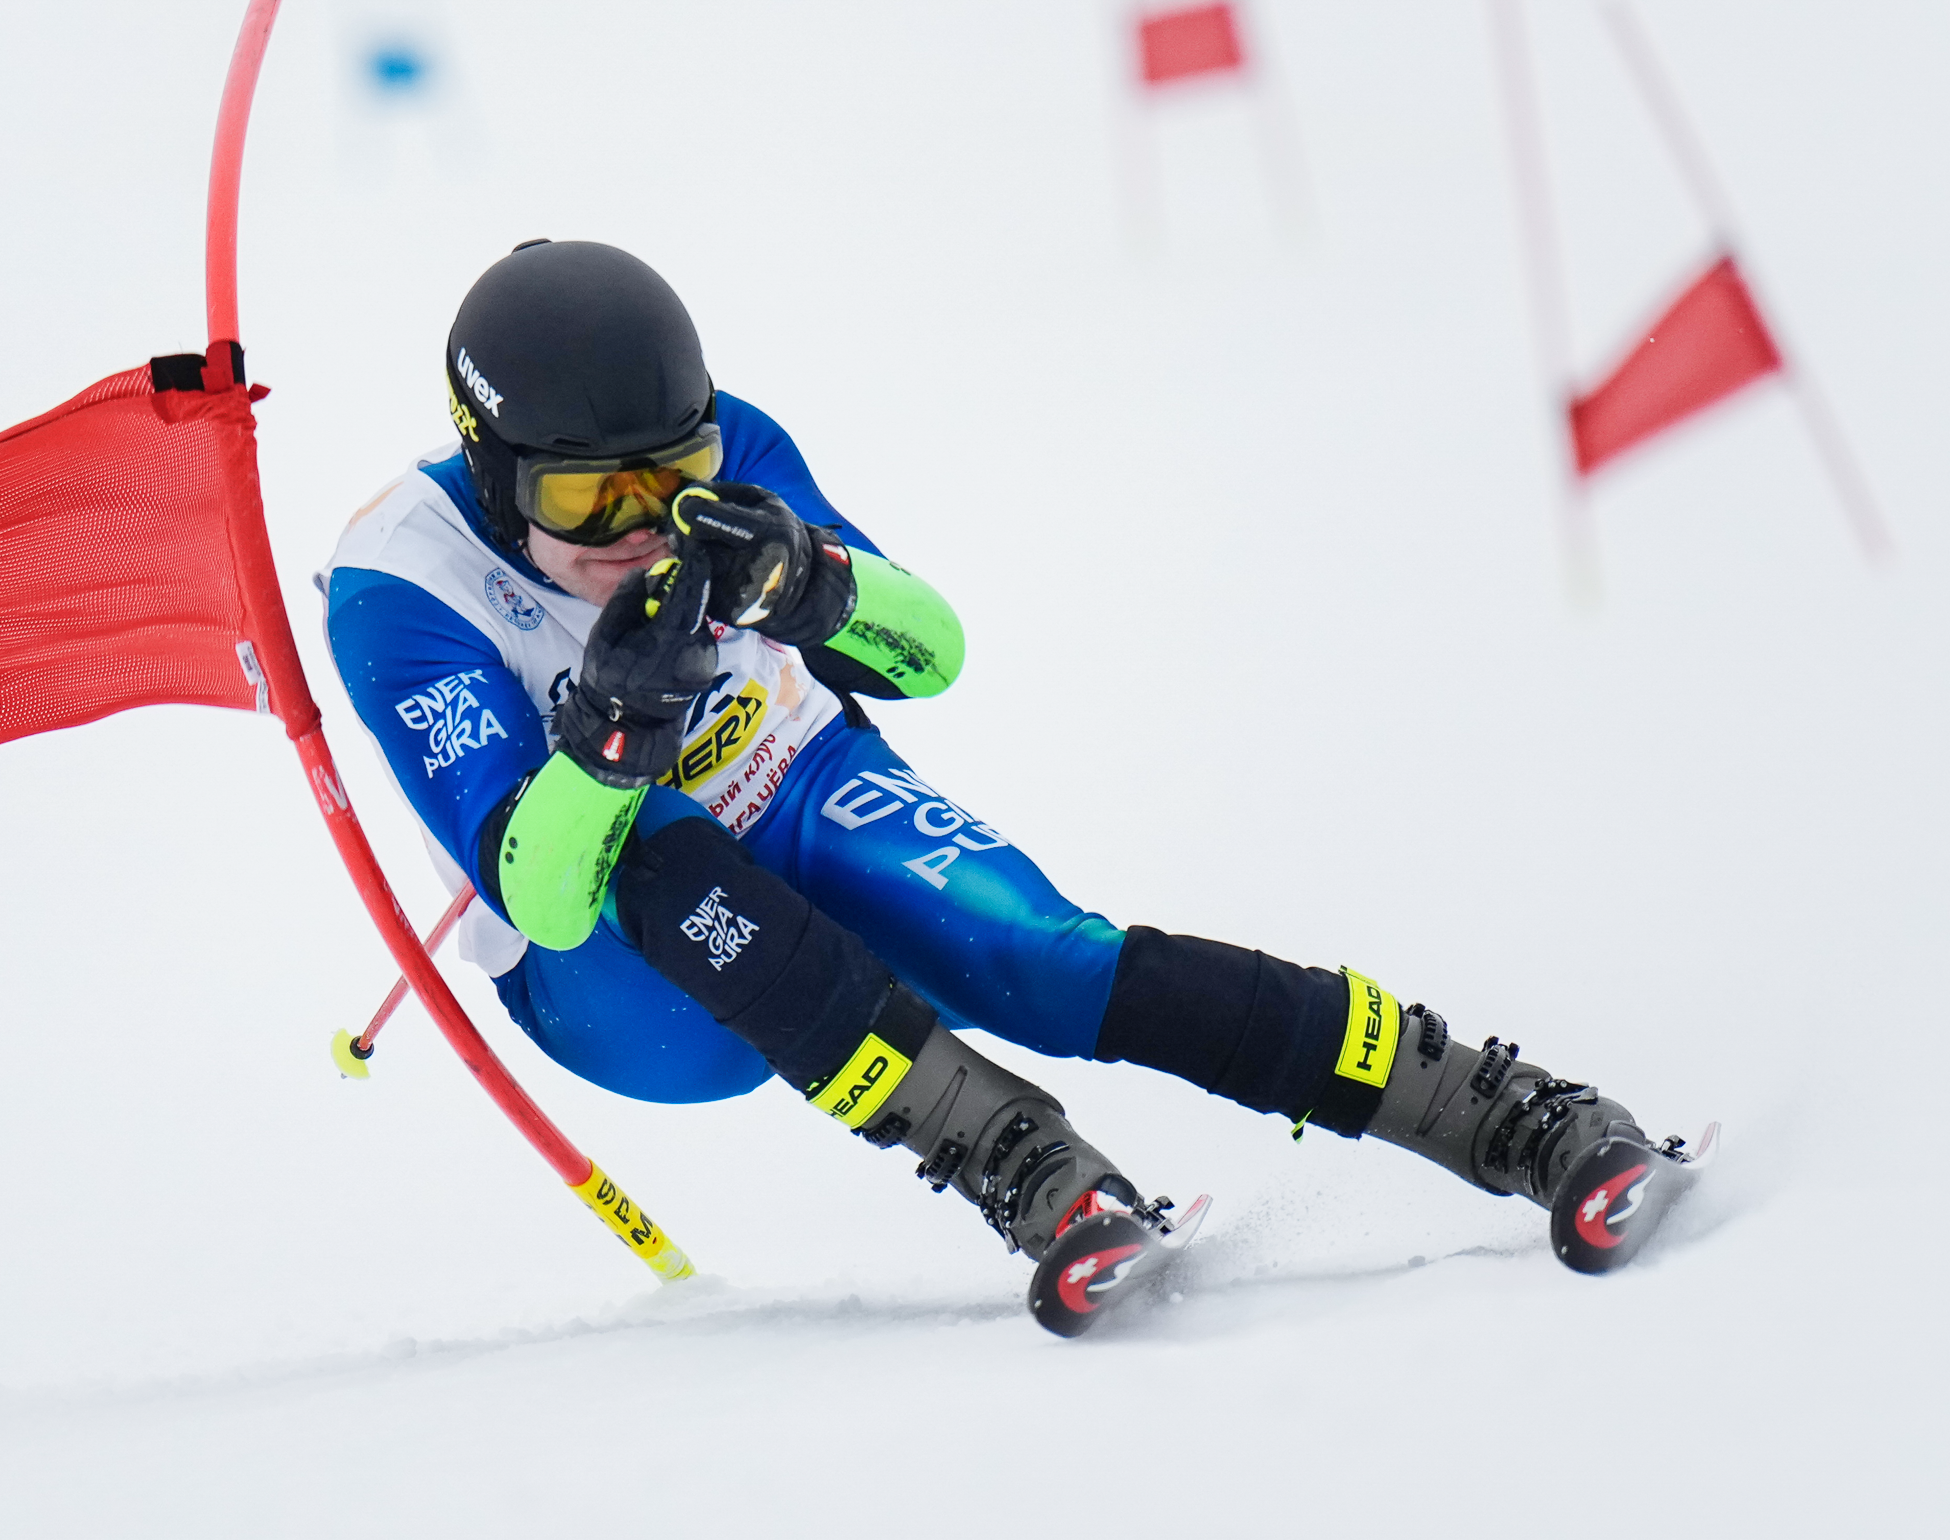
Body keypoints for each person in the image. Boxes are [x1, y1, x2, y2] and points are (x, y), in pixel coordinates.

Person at [323, 238, 1680, 1291]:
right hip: (621, 984)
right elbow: (545, 898)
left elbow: (931, 655)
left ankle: (1502, 1111)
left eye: (670, 474)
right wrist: (615, 742)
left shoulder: (734, 445)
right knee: (659, 858)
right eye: (585, 500)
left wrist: (809, 585)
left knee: (1051, 958)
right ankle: (1021, 1163)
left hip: (792, 784)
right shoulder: (401, 585)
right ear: (492, 471)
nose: (640, 525)